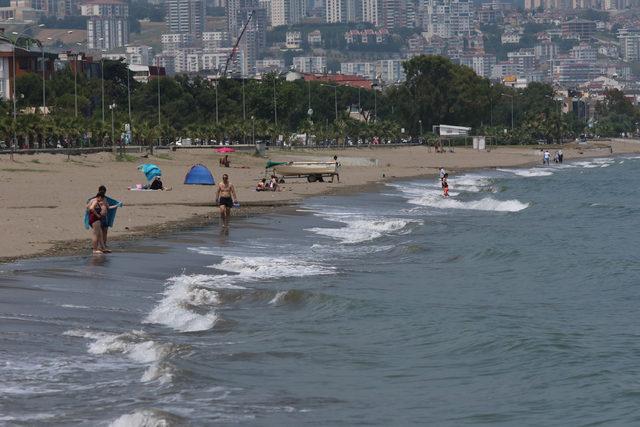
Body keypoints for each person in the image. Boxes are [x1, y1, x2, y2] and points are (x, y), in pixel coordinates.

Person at [87, 190, 108, 254]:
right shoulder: (95, 201)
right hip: (94, 219)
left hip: (94, 218)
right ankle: (95, 250)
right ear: (99, 197)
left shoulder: (92, 200)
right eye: (101, 198)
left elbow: (87, 207)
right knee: (95, 234)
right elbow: (91, 208)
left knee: (100, 234)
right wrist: (97, 215)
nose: (101, 200)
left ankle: (102, 248)